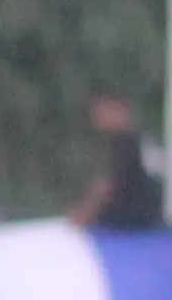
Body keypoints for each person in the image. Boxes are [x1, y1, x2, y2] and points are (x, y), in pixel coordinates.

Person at [62, 92, 162, 229]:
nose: (96, 118)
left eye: (100, 111)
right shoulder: (141, 139)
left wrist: (84, 212)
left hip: (132, 221)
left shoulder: (127, 142)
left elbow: (109, 186)